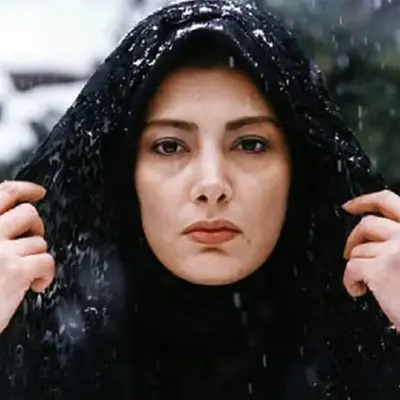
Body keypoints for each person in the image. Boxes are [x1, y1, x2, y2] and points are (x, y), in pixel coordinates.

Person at [1, 0, 400, 398]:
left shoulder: (374, 343)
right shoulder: (35, 353)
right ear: (124, 172)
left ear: (300, 165)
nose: (211, 184)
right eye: (170, 146)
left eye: (250, 144)